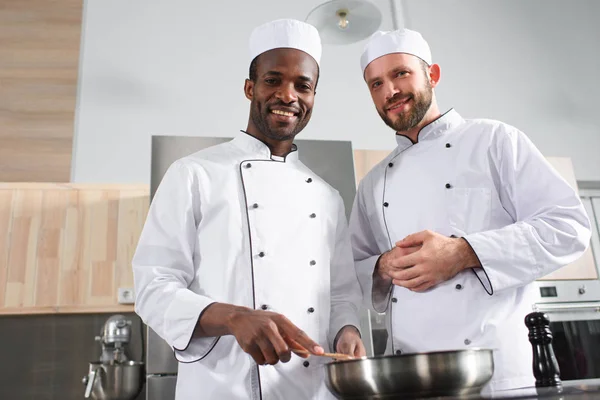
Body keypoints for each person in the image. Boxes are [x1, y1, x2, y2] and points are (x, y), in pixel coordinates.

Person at [133, 19, 365, 400]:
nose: (288, 95)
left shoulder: (327, 197)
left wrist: (348, 331)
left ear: (312, 97)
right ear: (250, 88)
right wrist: (234, 317)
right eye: (273, 80)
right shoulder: (194, 174)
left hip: (312, 389)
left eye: (302, 85)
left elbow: (340, 294)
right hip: (222, 386)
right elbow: (152, 286)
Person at [349, 28, 591, 392]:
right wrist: (382, 266)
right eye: (376, 84)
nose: (390, 92)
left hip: (497, 375)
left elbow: (568, 227)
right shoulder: (373, 184)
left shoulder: (495, 141)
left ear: (432, 75)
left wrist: (463, 252)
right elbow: (351, 271)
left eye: (400, 74)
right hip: (412, 377)